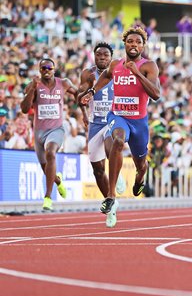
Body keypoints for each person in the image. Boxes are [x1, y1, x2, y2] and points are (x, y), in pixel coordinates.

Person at [80, 27, 161, 228]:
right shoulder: (116, 65)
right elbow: (106, 76)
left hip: (139, 122)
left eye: (138, 42)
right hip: (118, 115)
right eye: (130, 41)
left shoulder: (149, 66)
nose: (134, 45)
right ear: (125, 44)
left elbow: (156, 94)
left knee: (141, 165)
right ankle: (111, 196)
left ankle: (139, 178)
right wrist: (92, 91)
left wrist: (137, 74)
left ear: (143, 46)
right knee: (116, 139)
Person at [20, 58, 84, 210]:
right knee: (46, 168)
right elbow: (24, 109)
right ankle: (58, 181)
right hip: (38, 133)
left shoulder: (64, 83)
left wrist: (81, 110)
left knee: (51, 153)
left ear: (54, 69)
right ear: (40, 70)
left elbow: (78, 95)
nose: (47, 70)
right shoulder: (34, 85)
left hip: (56, 129)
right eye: (43, 68)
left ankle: (48, 197)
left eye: (49, 68)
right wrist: (32, 89)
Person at [78, 42, 125, 198]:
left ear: (111, 58)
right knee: (97, 170)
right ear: (94, 56)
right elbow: (80, 99)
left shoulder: (118, 72)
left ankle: (117, 174)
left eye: (106, 55)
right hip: (95, 122)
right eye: (99, 54)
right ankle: (109, 202)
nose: (102, 57)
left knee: (110, 146)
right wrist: (84, 113)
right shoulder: (87, 74)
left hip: (113, 119)